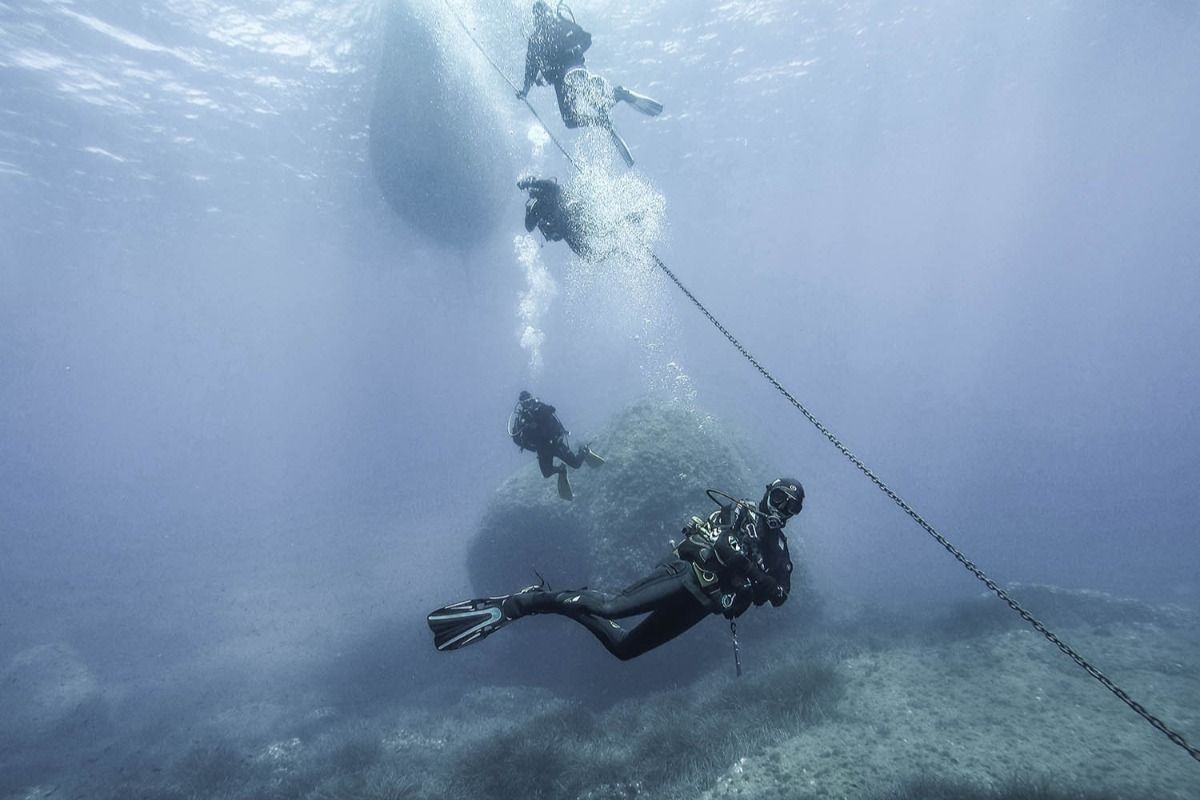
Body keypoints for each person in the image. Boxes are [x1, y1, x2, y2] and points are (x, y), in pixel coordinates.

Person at [427, 478, 803, 659]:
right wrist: (760, 579)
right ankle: (525, 605)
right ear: (766, 492)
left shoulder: (779, 548)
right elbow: (724, 549)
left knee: (624, 649)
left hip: (701, 605)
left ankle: (554, 603)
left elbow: (781, 594)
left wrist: (761, 579)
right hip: (685, 576)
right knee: (610, 607)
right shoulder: (738, 512)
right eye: (779, 498)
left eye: (790, 507)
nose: (780, 509)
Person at [515, 1, 664, 166]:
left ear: (536, 17)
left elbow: (531, 69)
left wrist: (525, 90)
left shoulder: (538, 37)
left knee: (571, 120)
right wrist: (575, 51)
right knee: (594, 107)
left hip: (568, 76)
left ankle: (604, 118)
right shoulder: (557, 24)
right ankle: (615, 101)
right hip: (575, 71)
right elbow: (587, 39)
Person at [508, 390, 604, 500]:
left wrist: (537, 412)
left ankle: (584, 451)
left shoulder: (540, 408)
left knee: (576, 464)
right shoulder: (521, 420)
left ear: (532, 400)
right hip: (542, 450)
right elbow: (516, 439)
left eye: (528, 401)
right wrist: (532, 445)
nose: (527, 405)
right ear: (520, 404)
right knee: (546, 473)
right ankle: (561, 470)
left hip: (555, 444)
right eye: (524, 403)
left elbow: (552, 409)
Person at [517, 176, 590, 258]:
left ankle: (599, 229)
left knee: (580, 221)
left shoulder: (548, 189)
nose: (533, 191)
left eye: (533, 188)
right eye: (531, 190)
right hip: (562, 228)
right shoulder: (536, 207)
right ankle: (591, 256)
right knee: (577, 244)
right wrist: (528, 210)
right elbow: (529, 227)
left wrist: (531, 183)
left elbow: (550, 186)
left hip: (569, 216)